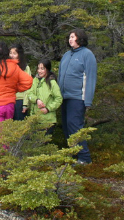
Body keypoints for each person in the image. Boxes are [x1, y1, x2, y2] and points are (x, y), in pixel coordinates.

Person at [58, 28, 97, 165]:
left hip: (77, 97)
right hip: (65, 97)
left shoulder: (87, 55)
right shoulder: (66, 55)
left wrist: (88, 101)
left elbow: (91, 78)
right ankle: (74, 156)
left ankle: (84, 158)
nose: (70, 39)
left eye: (73, 37)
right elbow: (60, 76)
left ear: (80, 38)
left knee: (75, 127)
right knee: (67, 128)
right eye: (69, 36)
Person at [28, 59, 62, 135]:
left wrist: (48, 108)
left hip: (48, 120)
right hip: (35, 119)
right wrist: (37, 100)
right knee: (35, 144)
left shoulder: (52, 83)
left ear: (47, 69)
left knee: (44, 143)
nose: (39, 71)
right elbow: (29, 93)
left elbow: (59, 99)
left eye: (42, 69)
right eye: (38, 68)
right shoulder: (35, 80)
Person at [9, 44, 32, 121]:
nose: (12, 55)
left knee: (19, 127)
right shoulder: (6, 67)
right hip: (8, 100)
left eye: (14, 53)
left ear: (19, 55)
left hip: (20, 101)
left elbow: (28, 86)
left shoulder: (25, 68)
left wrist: (25, 103)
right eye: (10, 53)